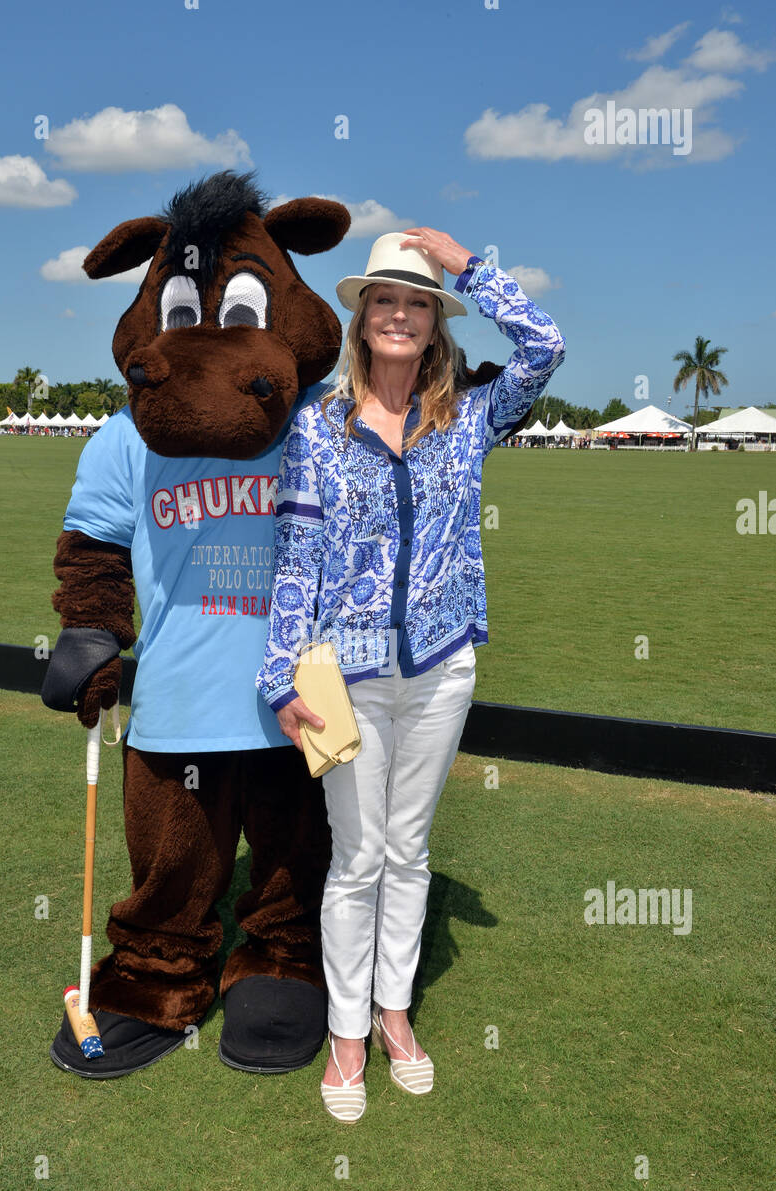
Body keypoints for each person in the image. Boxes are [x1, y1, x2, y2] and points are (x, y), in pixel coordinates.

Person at [257, 228, 565, 1121]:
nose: (399, 314)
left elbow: (545, 347)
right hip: (342, 675)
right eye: (385, 300)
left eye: (419, 302)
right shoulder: (317, 427)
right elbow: (294, 557)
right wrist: (281, 677)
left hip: (440, 667)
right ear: (361, 317)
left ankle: (395, 1015)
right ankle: (346, 1033)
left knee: (410, 849)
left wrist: (474, 268)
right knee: (355, 857)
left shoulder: (468, 415)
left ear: (436, 325)